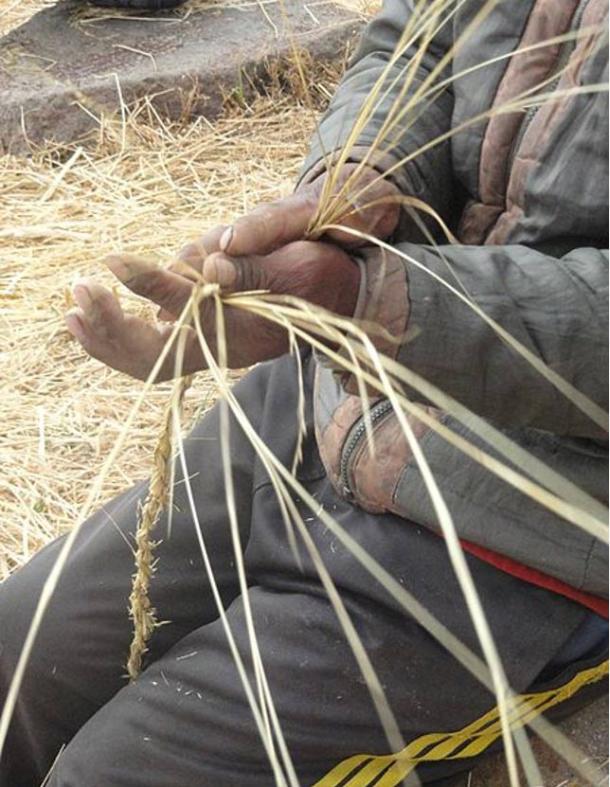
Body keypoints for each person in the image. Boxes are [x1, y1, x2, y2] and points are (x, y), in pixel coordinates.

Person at [1, 1, 608, 785]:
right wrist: (359, 177)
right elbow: (415, 42)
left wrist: (375, 298)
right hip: (329, 398)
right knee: (15, 660)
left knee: (110, 776)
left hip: (529, 535)